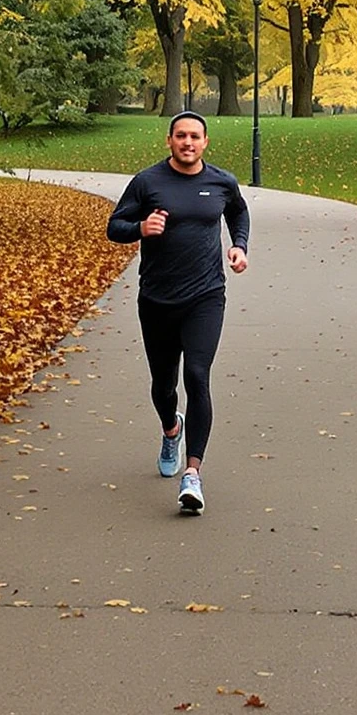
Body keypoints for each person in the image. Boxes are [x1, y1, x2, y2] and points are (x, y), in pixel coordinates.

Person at [106, 112, 249, 516]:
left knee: (197, 375)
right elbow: (114, 227)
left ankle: (193, 473)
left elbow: (238, 212)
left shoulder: (221, 182)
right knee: (163, 385)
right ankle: (172, 427)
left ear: (206, 142)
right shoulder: (148, 182)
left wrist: (239, 245)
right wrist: (140, 228)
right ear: (169, 140)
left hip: (206, 297)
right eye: (181, 136)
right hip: (157, 299)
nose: (188, 142)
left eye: (195, 136)